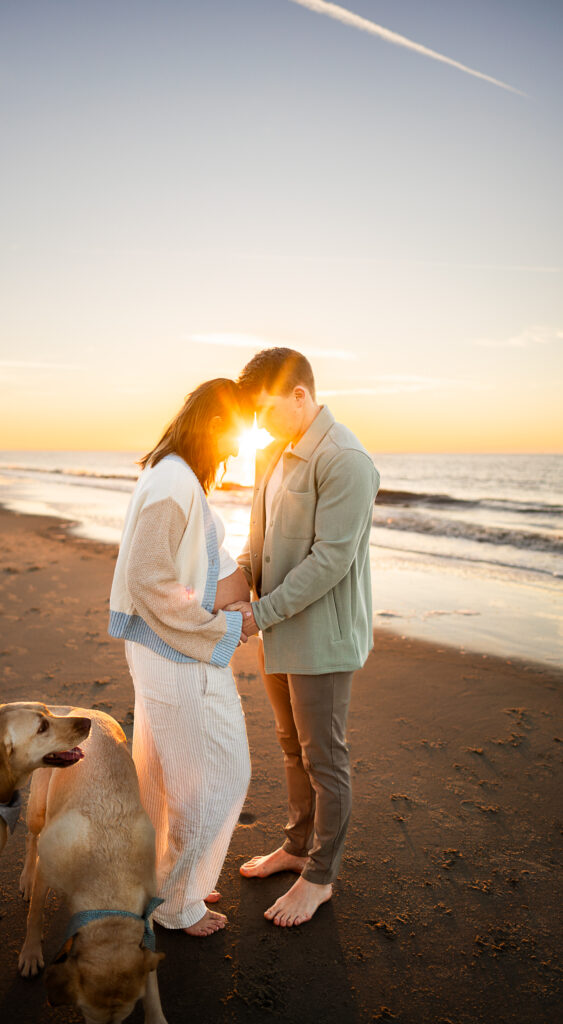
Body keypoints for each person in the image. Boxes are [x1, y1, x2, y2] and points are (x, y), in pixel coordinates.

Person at [230, 348, 380, 928]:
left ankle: (321, 878)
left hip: (320, 638)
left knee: (325, 757)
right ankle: (296, 847)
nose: (260, 424)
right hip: (276, 626)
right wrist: (234, 592)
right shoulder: (271, 453)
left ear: (300, 396)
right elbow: (259, 543)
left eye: (267, 409)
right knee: (290, 746)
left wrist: (258, 614)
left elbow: (329, 562)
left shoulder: (346, 459)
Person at [109, 378, 252, 937]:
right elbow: (149, 577)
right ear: (215, 423)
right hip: (176, 656)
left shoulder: (170, 473)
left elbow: (190, 569)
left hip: (162, 653)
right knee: (216, 774)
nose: (239, 449)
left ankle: (172, 882)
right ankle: (177, 904)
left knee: (168, 775)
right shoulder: (173, 481)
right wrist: (217, 629)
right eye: (236, 434)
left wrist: (243, 588)